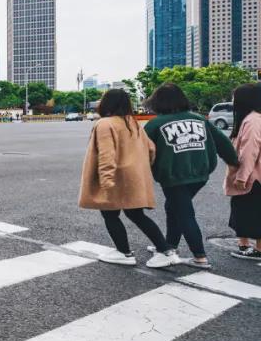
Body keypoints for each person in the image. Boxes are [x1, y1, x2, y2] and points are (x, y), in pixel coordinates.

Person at [145, 82, 238, 270]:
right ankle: (169, 246)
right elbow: (223, 142)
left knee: (185, 213)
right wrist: (233, 162)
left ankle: (199, 256)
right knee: (174, 208)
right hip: (201, 175)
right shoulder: (198, 119)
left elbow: (141, 152)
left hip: (173, 176)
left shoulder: (155, 123)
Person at [79, 88, 171, 266]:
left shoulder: (105, 124)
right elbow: (151, 149)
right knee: (137, 214)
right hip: (132, 176)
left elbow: (106, 154)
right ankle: (165, 249)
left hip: (115, 176)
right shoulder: (132, 122)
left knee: (110, 214)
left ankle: (124, 252)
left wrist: (106, 180)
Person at [225, 83, 261, 259]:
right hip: (254, 176)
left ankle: (257, 249)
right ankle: (244, 244)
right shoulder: (250, 118)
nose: (233, 101)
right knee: (242, 210)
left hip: (253, 177)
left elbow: (249, 152)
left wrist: (242, 177)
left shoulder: (252, 121)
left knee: (251, 211)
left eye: (234, 97)